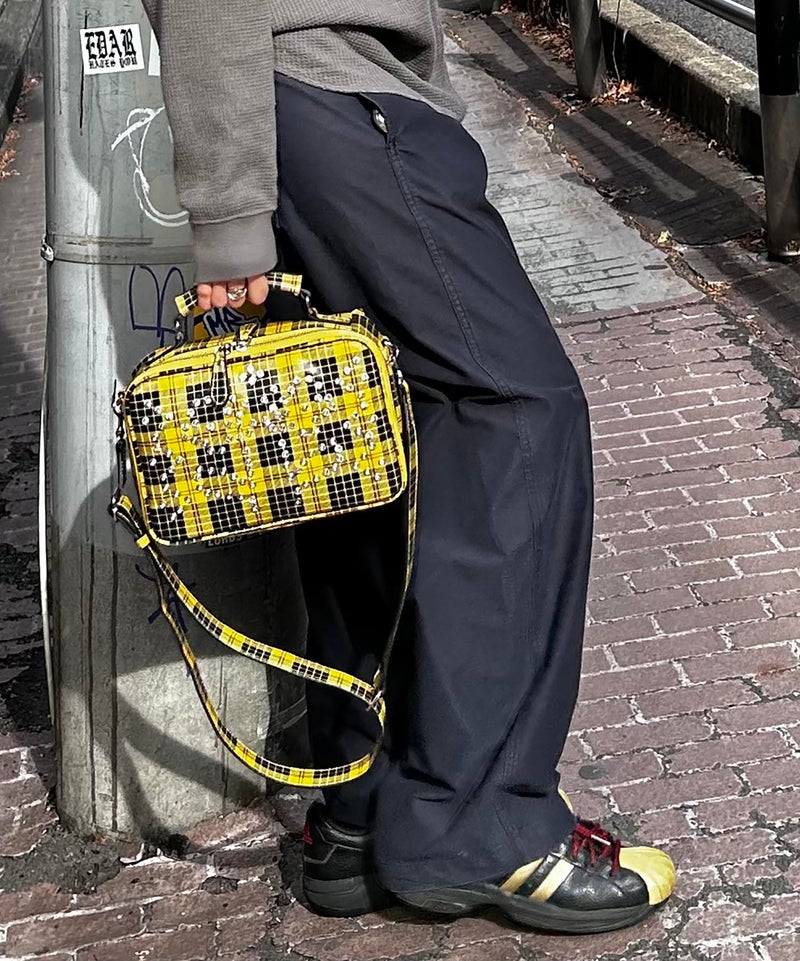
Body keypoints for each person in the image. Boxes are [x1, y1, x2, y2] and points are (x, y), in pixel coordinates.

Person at [142, 0, 676, 933]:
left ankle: (363, 811)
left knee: (361, 453)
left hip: (315, 103)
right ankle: (476, 821)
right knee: (514, 410)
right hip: (328, 92)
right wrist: (228, 210)